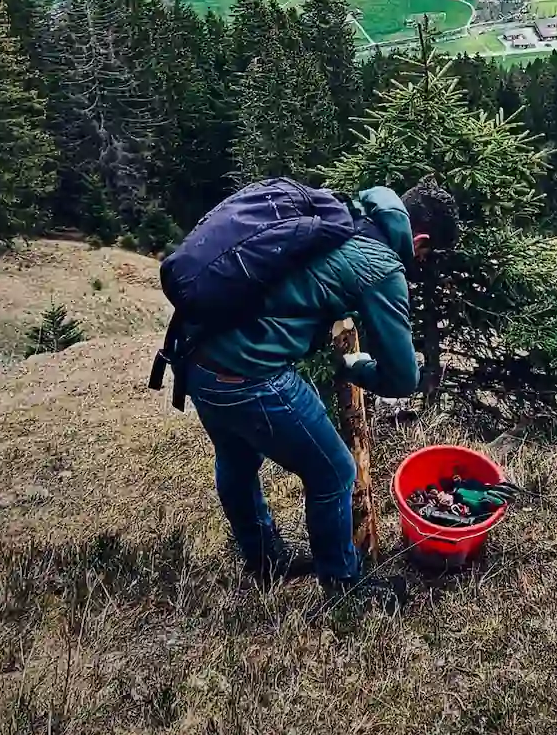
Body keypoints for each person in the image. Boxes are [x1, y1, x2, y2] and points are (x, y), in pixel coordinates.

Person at [184, 180, 459, 602]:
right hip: (248, 375)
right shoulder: (382, 264)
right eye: (425, 256)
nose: (419, 262)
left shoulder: (341, 211)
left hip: (195, 356)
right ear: (420, 240)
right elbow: (403, 378)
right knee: (333, 470)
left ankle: (263, 558)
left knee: (236, 457)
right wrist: (353, 366)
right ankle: (344, 585)